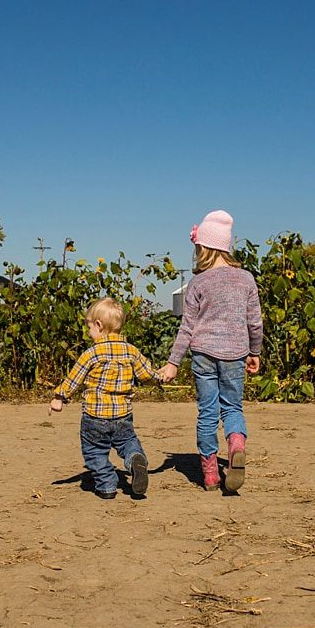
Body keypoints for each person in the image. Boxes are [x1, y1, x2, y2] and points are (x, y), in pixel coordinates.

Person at [160, 210, 263, 492]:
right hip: (235, 353)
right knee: (232, 407)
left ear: (203, 247)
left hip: (203, 354)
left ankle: (209, 475)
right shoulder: (246, 279)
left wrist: (173, 363)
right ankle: (236, 445)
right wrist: (255, 351)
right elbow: (255, 321)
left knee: (207, 412)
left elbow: (186, 328)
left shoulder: (198, 283)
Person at [49, 297, 162, 500]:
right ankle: (135, 458)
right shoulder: (131, 351)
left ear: (99, 325)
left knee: (94, 452)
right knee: (128, 441)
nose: (89, 332)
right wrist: (161, 377)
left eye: (90, 327)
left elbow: (74, 378)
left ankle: (107, 486)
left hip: (94, 416)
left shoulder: (92, 353)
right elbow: (147, 375)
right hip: (122, 415)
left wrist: (59, 397)